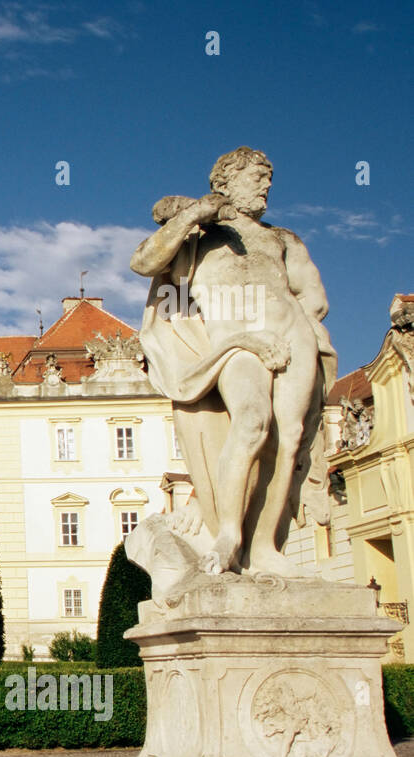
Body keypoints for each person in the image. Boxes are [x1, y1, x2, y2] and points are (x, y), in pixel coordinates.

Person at [130, 147, 336, 576]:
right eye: (256, 177)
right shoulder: (198, 237)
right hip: (237, 340)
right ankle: (228, 533)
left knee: (288, 438)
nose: (265, 186)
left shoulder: (283, 240)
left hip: (291, 332)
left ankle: (264, 548)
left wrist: (306, 327)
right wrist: (188, 217)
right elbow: (144, 261)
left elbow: (313, 297)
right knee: (252, 422)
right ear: (225, 182)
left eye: (268, 179)